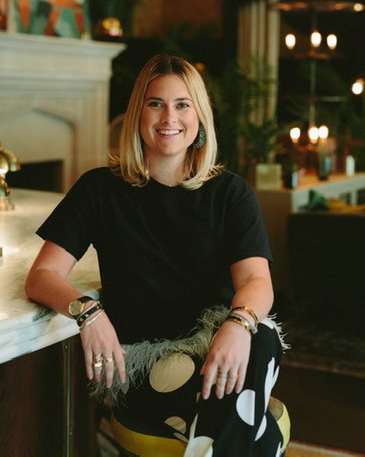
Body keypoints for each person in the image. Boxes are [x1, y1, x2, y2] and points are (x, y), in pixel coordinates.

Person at [25, 54, 286, 456]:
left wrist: (236, 325)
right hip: (147, 366)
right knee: (252, 426)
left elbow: (256, 281)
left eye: (183, 104)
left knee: (260, 334)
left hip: (219, 353)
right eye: (155, 103)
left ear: (199, 117)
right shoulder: (99, 190)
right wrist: (88, 313)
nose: (170, 117)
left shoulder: (230, 193)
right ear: (137, 114)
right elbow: (42, 275)